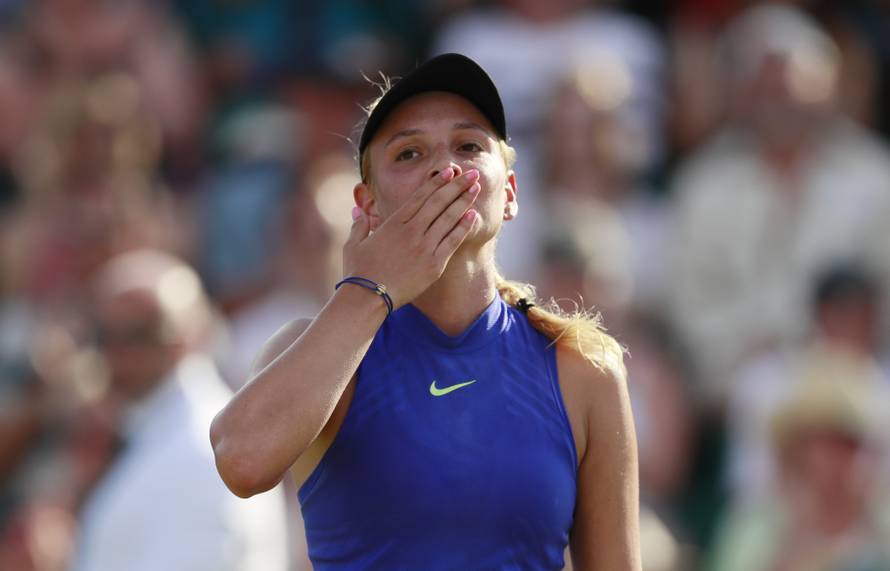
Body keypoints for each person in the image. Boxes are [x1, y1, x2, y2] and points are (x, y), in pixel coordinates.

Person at [210, 53, 640, 570]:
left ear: (509, 192)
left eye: (469, 146)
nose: (445, 169)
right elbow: (241, 462)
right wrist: (368, 287)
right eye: (410, 153)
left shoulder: (585, 369)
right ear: (367, 206)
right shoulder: (315, 350)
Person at [72, 250, 289, 571]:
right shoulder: (152, 429)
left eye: (139, 334)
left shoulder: (204, 450)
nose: (118, 353)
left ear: (191, 334)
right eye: (104, 335)